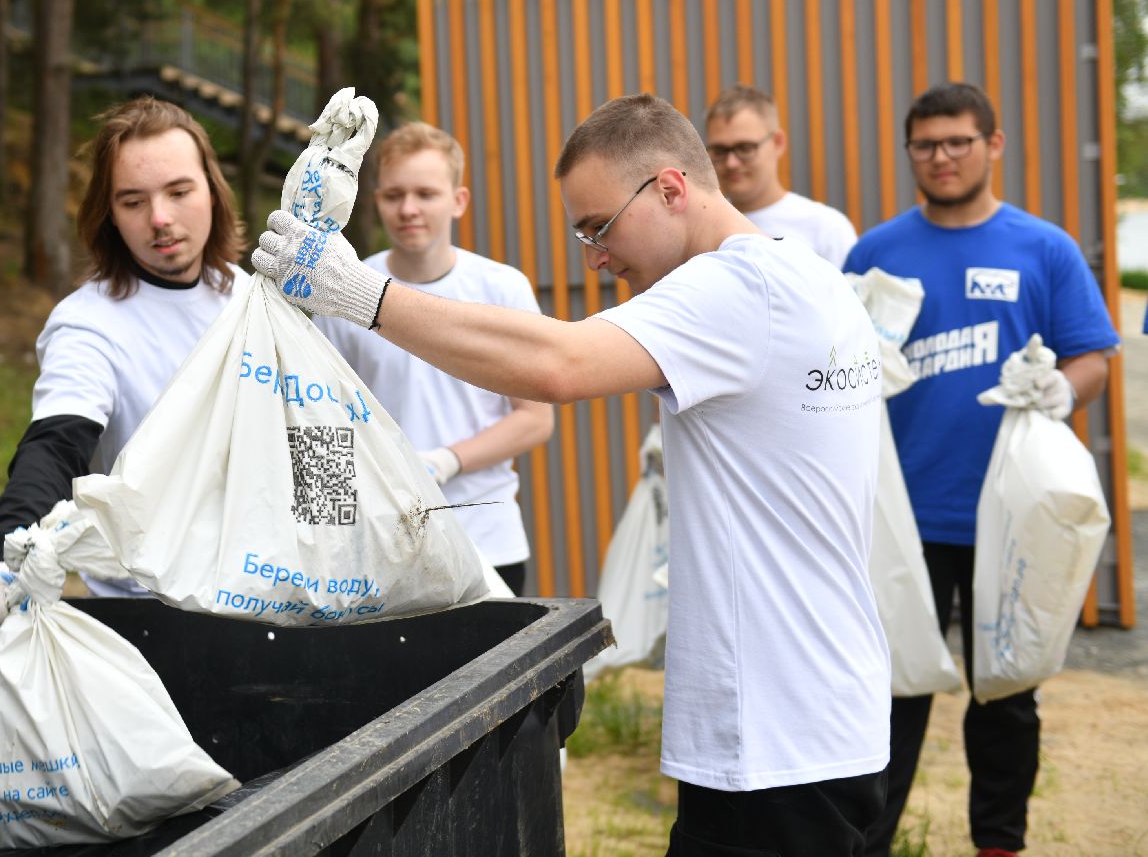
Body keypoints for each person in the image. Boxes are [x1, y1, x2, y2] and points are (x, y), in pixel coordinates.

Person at [255, 92, 891, 856]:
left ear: (669, 189)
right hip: (812, 705)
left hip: (779, 726)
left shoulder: (737, 286)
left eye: (599, 226)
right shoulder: (802, 275)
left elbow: (557, 367)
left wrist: (360, 295)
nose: (594, 255)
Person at [843, 81, 1119, 857]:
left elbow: (1093, 355)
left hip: (1011, 519)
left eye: (958, 141)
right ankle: (869, 842)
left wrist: (1063, 387)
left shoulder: (1044, 248)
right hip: (904, 519)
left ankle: (999, 843)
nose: (942, 157)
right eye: (926, 145)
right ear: (909, 154)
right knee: (888, 700)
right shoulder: (876, 252)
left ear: (993, 145)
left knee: (1007, 698)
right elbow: (833, 366)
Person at [0, 96, 246, 645]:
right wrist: (3, 554)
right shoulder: (90, 325)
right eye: (133, 201)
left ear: (212, 191)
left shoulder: (253, 302)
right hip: (154, 617)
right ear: (108, 213)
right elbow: (56, 446)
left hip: (279, 599)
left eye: (178, 192)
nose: (160, 219)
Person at [316, 123, 554, 594]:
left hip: (488, 538)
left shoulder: (501, 288)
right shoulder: (344, 288)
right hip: (382, 546)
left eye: (426, 193)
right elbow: (322, 416)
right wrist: (327, 532)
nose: (409, 209)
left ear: (458, 201)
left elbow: (535, 420)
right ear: (376, 199)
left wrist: (447, 461)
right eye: (394, 195)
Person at [705, 84, 858, 267]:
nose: (731, 163)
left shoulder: (826, 228)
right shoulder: (703, 228)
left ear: (778, 143)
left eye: (745, 148)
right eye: (719, 150)